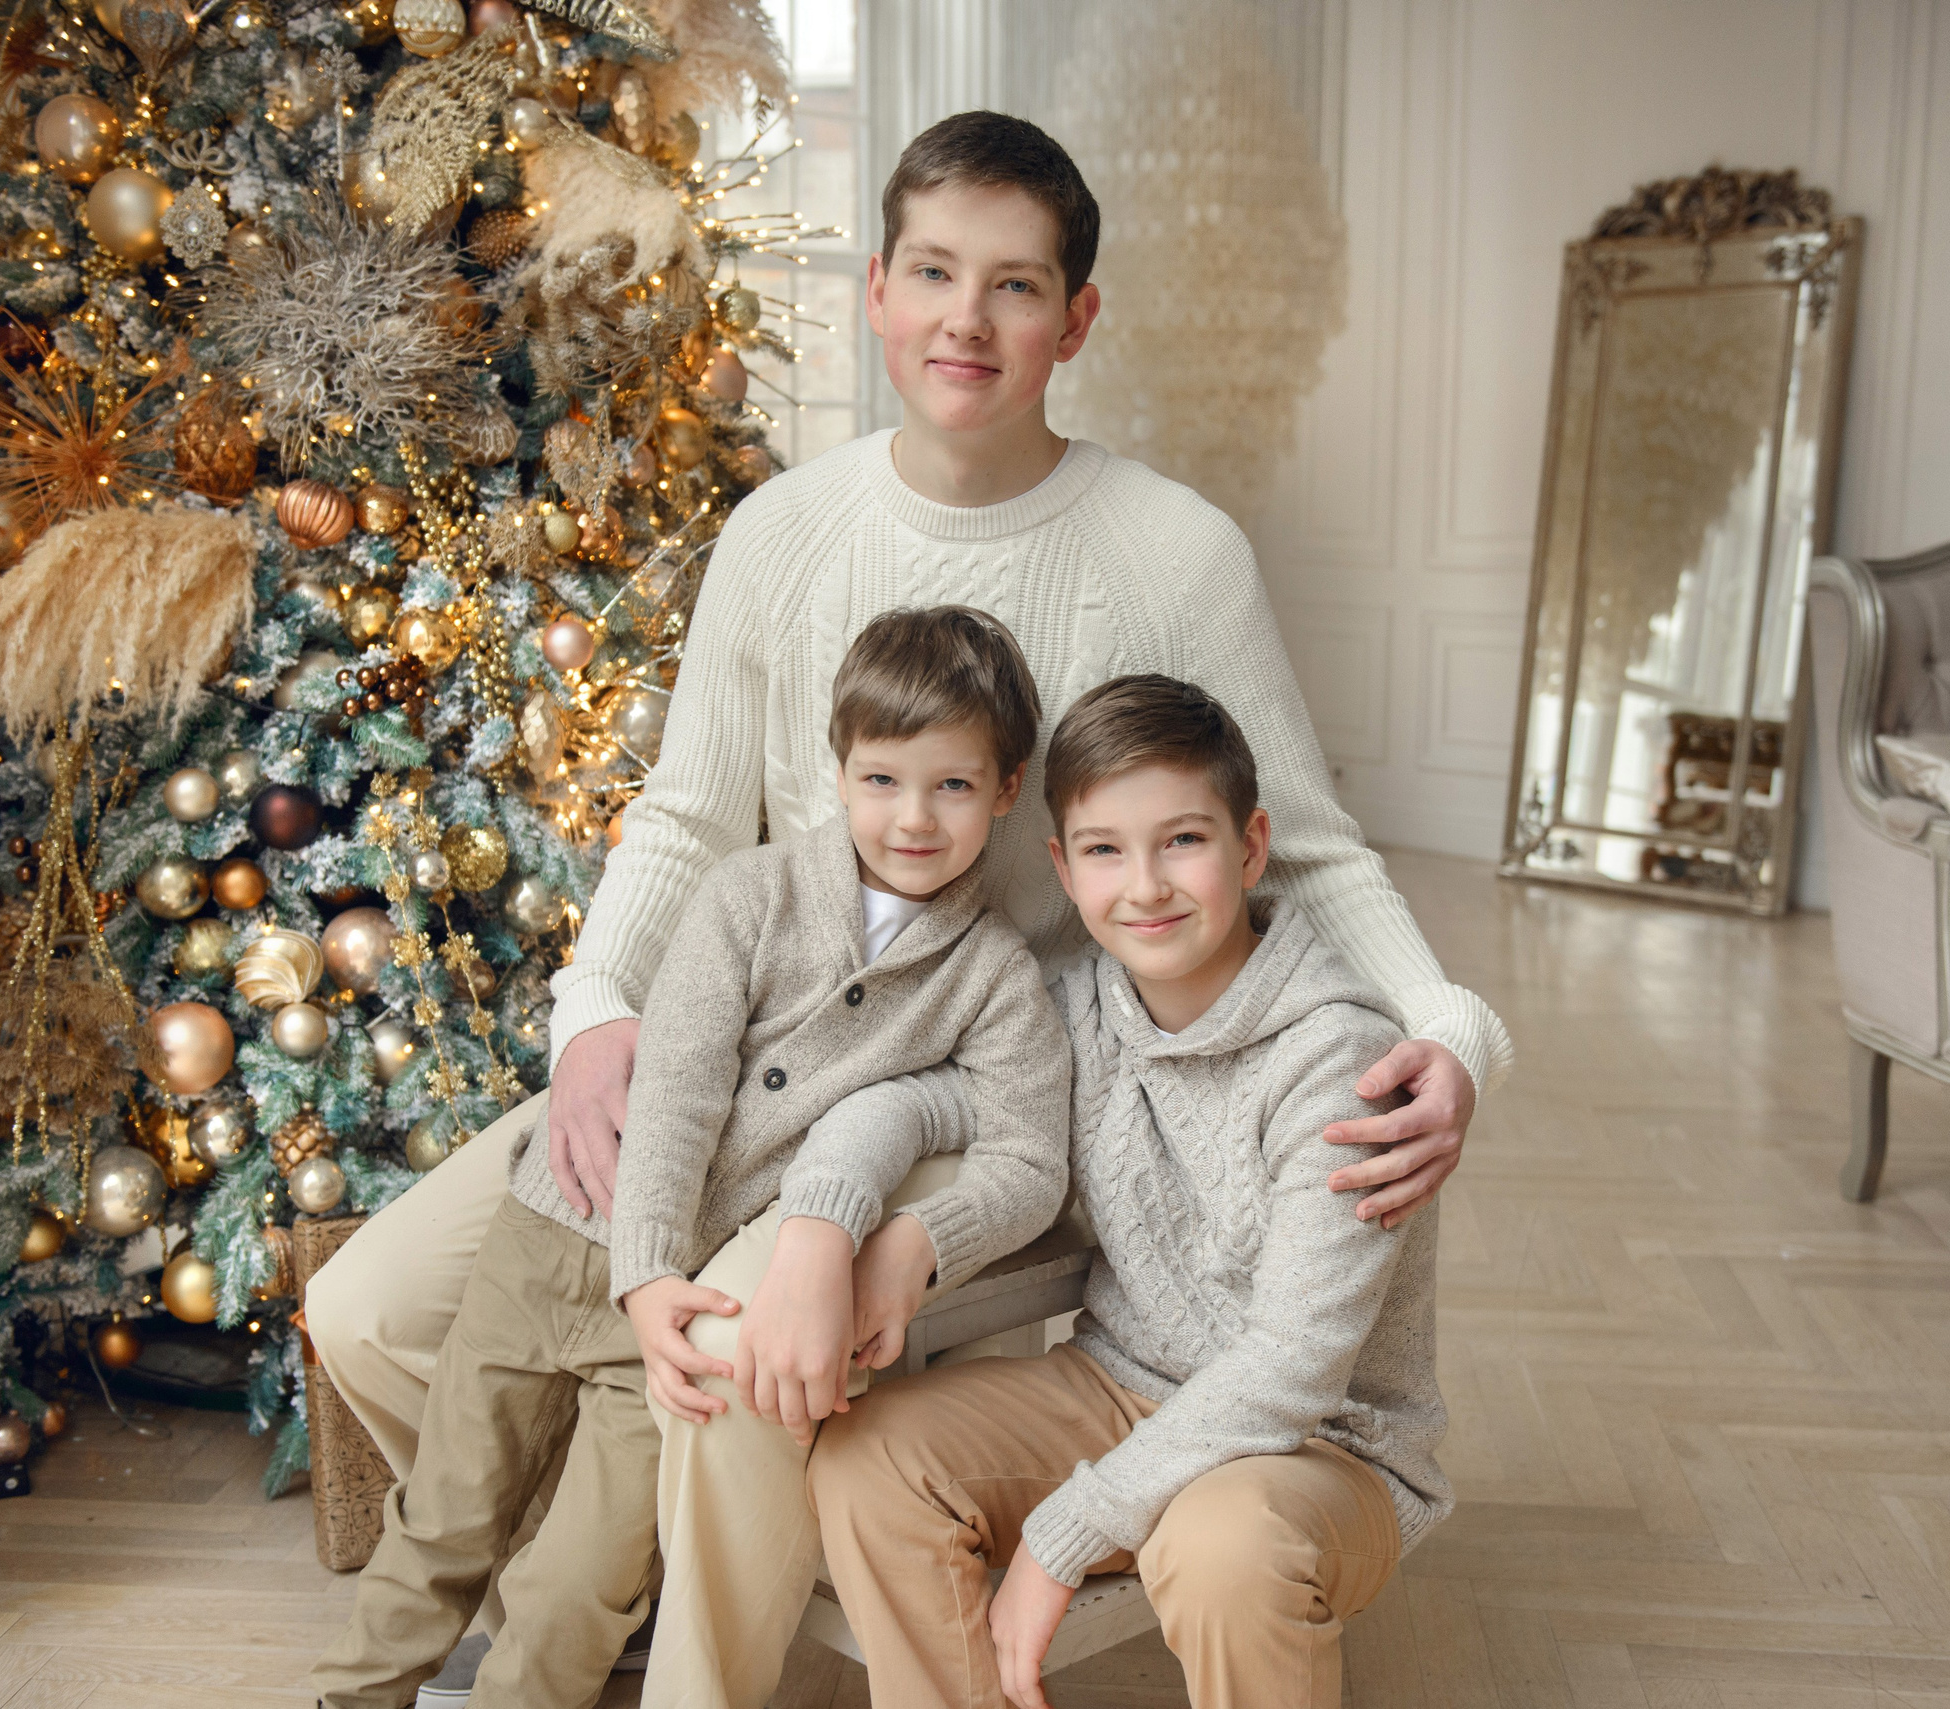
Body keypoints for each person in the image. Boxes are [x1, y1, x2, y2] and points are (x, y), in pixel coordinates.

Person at [304, 107, 1511, 1705]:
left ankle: (619, 1624)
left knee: (735, 1349)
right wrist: (599, 1017)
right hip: (753, 1041)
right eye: (934, 272)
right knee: (368, 1303)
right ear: (875, 289)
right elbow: (684, 814)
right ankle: (589, 1584)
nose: (967, 318)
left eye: (1016, 286)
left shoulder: (1176, 552)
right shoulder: (781, 534)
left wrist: (1451, 1029)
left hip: (980, 1084)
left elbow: (1314, 848)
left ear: (1075, 321)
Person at [307, 607, 1071, 1709]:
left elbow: (1030, 1160)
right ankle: (350, 1695)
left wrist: (914, 1241)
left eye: (951, 786)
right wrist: (645, 1265)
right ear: (840, 770)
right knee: (444, 1513)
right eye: (882, 779)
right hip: (558, 1239)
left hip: (663, 1328)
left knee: (586, 1578)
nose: (912, 817)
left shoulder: (993, 975)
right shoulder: (750, 895)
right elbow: (672, 1083)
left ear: (1005, 791)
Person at [809, 675, 1450, 1709]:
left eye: (1182, 840)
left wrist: (1057, 1543)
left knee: (1221, 1541)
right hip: (1117, 1388)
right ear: (1063, 868)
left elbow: (1290, 1369)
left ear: (1249, 846)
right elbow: (921, 1098)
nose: (1144, 884)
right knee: (867, 1456)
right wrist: (847, 1222)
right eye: (1106, 848)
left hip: (1320, 1448)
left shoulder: (1341, 1059)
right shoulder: (1073, 1008)